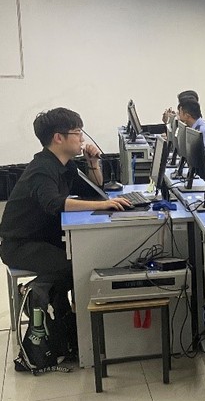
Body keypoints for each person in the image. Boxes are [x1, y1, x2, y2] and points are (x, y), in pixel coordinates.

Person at [0, 108, 130, 369]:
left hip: (45, 239)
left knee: (86, 257)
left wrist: (93, 163)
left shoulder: (64, 165)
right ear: (58, 138)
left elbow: (95, 191)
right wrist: (104, 206)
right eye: (77, 133)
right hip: (20, 245)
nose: (82, 138)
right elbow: (54, 203)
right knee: (76, 267)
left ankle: (62, 319)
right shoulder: (42, 169)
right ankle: (38, 297)